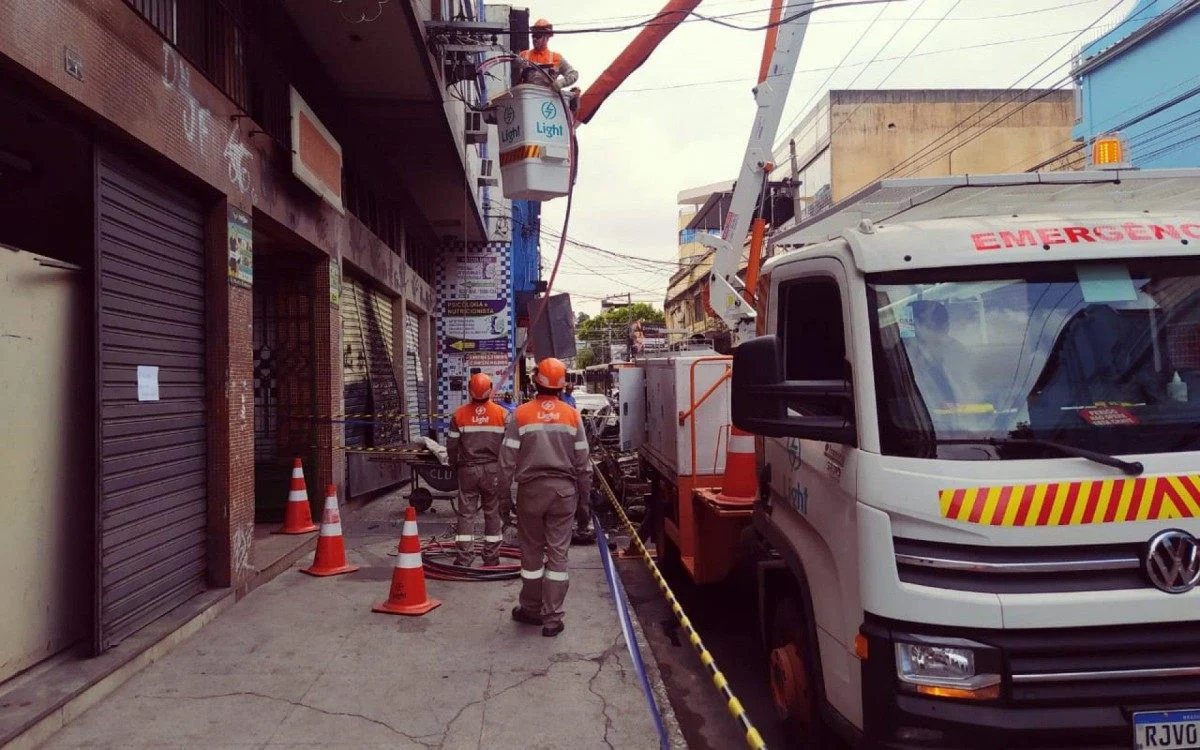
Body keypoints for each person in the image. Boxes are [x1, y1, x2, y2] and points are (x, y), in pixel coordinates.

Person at [499, 357, 591, 637]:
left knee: (532, 552)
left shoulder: (521, 415)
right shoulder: (572, 416)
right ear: (563, 387)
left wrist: (504, 500)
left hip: (531, 493)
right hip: (564, 493)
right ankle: (553, 619)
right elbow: (583, 464)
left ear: (534, 382)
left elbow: (506, 463)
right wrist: (584, 503)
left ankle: (531, 609)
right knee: (558, 553)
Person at [446, 373, 509, 567]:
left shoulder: (459, 414)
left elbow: (452, 445)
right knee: (492, 512)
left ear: (469, 390)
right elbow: (509, 446)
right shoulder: (502, 414)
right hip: (493, 470)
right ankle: (491, 558)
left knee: (466, 513)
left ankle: (464, 558)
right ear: (490, 389)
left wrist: (453, 463)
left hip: (468, 470)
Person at [517, 19, 579, 107]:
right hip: (527, 102)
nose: (534, 38)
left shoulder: (556, 58)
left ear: (547, 37)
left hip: (547, 103)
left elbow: (574, 74)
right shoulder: (523, 55)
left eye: (538, 36)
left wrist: (561, 83)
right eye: (533, 35)